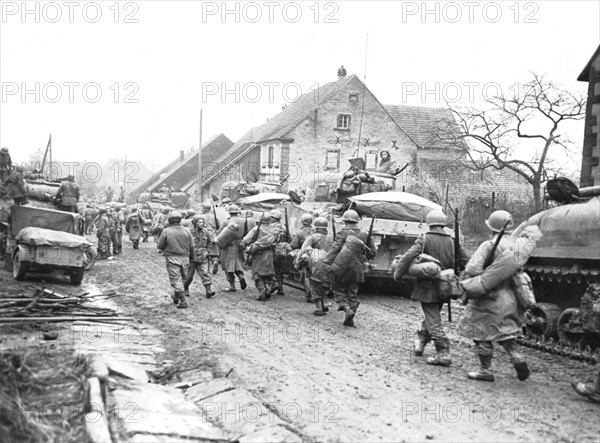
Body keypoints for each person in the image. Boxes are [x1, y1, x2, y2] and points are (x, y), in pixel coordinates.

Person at [459, 210, 530, 382]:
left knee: (481, 332)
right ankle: (517, 357)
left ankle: (485, 370)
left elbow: (473, 269)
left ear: (491, 226)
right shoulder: (518, 246)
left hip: (489, 298)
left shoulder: (489, 245)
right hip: (510, 296)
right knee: (505, 333)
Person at [393, 210, 469, 366]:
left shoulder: (424, 238)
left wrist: (398, 274)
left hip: (427, 287)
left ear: (430, 224)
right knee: (432, 315)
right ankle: (421, 341)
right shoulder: (453, 241)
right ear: (443, 224)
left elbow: (408, 257)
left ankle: (443, 352)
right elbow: (465, 261)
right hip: (446, 286)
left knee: (433, 319)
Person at [323, 210, 376, 327]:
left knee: (338, 290)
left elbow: (335, 248)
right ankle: (351, 316)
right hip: (357, 268)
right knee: (353, 293)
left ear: (345, 220)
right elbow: (373, 252)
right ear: (357, 221)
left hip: (342, 267)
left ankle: (347, 309)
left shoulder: (342, 233)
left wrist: (327, 262)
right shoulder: (364, 234)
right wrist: (363, 258)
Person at [157, 211, 194, 309]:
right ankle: (176, 296)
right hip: (185, 257)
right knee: (182, 278)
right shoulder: (187, 230)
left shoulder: (166, 231)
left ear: (170, 220)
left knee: (175, 280)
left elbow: (160, 246)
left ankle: (183, 301)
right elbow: (192, 246)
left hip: (172, 257)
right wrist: (192, 257)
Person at [298, 216, 333, 316]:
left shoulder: (312, 237)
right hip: (328, 263)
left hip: (314, 263)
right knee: (324, 283)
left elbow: (303, 250)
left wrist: (298, 263)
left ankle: (319, 308)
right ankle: (324, 302)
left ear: (315, 227)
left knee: (314, 284)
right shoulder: (331, 237)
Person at [243, 214, 276, 301]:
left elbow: (246, 240)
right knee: (267, 272)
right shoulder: (274, 230)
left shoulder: (256, 229)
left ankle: (262, 292)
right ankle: (268, 288)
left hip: (258, 254)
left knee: (257, 274)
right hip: (270, 253)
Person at [216, 204, 247, 292]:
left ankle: (232, 285)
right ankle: (241, 276)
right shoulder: (242, 220)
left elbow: (219, 233)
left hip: (228, 245)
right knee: (238, 263)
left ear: (229, 212)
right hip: (240, 244)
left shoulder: (226, 222)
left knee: (228, 265)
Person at [183, 216, 216, 298]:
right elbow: (185, 243)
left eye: (202, 222)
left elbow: (210, 241)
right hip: (192, 256)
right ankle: (185, 288)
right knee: (189, 275)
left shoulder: (205, 232)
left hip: (203, 255)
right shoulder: (189, 232)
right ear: (195, 223)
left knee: (205, 273)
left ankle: (208, 290)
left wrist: (208, 251)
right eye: (199, 222)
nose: (202, 224)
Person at [290, 213, 314, 302]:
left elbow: (293, 245)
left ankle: (309, 294)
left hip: (304, 255)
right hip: (316, 255)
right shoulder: (315, 231)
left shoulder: (299, 232)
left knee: (306, 276)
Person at [268, 209, 291, 296]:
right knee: (279, 270)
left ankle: (274, 284)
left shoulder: (271, 227)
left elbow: (270, 239)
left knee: (272, 268)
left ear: (274, 218)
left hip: (274, 249)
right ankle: (280, 288)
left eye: (271, 217)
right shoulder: (284, 227)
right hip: (283, 250)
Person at [200, 201, 220, 274]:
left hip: (203, 233)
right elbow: (219, 226)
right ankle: (215, 261)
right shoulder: (214, 216)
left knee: (204, 250)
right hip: (213, 233)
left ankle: (206, 268)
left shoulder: (200, 216)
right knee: (214, 250)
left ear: (204, 209)